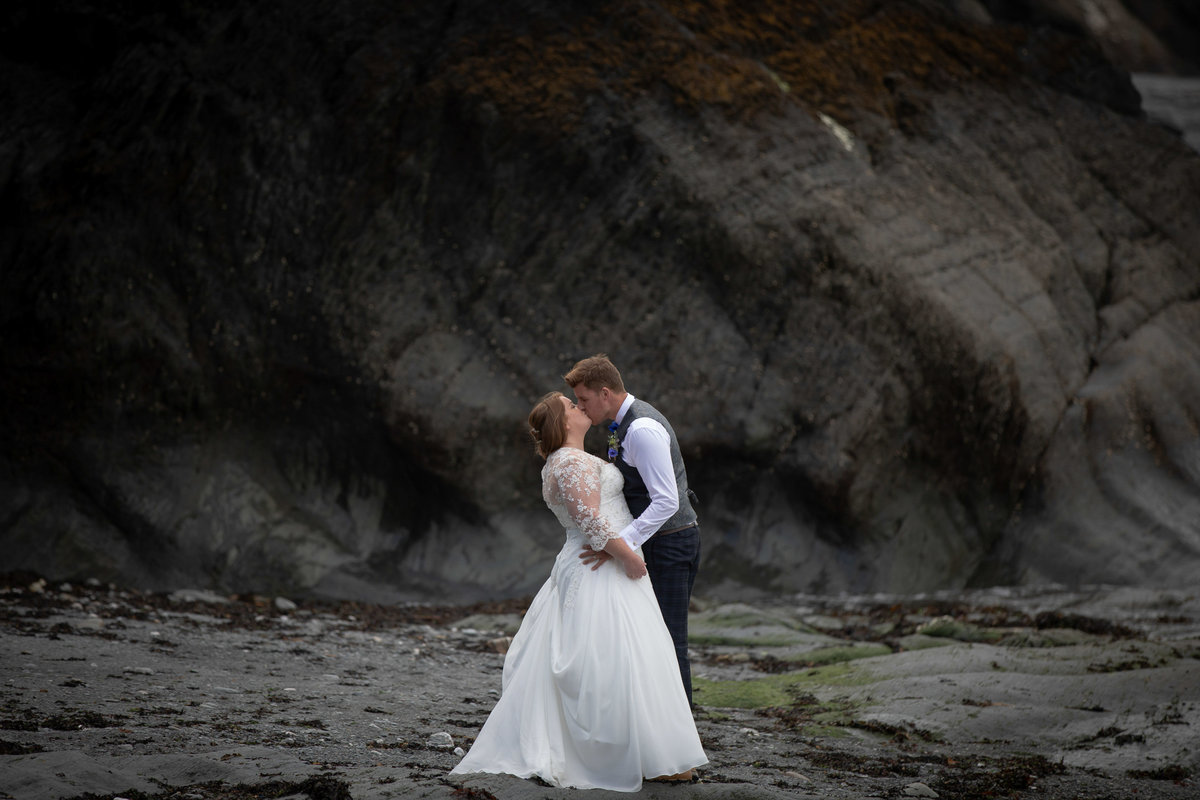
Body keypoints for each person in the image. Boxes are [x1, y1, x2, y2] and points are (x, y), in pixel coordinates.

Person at [449, 392, 706, 791]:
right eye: (572, 406)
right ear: (564, 423)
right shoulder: (570, 462)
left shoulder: (571, 460)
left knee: (633, 654)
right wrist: (627, 556)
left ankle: (653, 749)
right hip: (599, 567)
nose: (580, 408)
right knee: (611, 656)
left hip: (603, 561)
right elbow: (590, 521)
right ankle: (619, 751)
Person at [564, 354, 701, 705]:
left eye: (584, 399)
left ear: (605, 393)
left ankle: (682, 739)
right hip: (654, 542)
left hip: (670, 543)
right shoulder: (621, 426)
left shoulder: (642, 430)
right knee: (649, 637)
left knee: (670, 640)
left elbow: (667, 501)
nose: (581, 407)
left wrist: (622, 544)